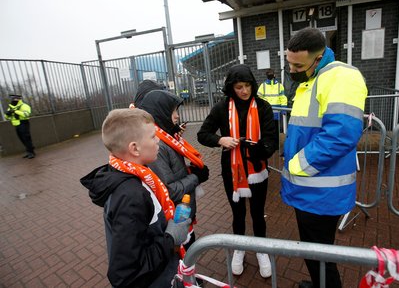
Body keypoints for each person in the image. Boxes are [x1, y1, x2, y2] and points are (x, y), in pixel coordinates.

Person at [281, 27, 368, 288]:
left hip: (319, 190)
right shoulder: (314, 76)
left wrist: (297, 165)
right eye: (289, 63)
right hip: (309, 189)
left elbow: (340, 135)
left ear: (318, 59)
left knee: (321, 255)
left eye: (298, 65)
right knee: (313, 251)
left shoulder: (341, 76)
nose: (292, 70)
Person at [80, 108, 191, 287]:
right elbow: (126, 274)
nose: (158, 141)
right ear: (135, 148)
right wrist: (170, 239)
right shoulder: (130, 196)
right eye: (153, 137)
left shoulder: (135, 176)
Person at [197, 64, 276, 278]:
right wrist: (220, 139)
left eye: (248, 85)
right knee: (238, 213)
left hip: (257, 168)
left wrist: (258, 147)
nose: (244, 91)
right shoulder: (221, 108)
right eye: (239, 87)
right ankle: (239, 248)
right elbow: (203, 134)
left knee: (258, 213)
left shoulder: (263, 107)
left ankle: (261, 249)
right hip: (232, 171)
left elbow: (272, 141)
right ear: (231, 88)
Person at [138, 89, 209, 251]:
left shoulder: (167, 137)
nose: (177, 116)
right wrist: (196, 177)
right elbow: (168, 190)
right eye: (174, 111)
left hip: (181, 211)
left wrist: (190, 172)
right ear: (161, 112)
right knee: (184, 256)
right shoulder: (158, 146)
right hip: (174, 215)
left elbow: (173, 171)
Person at [257, 68, 288, 138]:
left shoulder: (265, 86)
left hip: (275, 111)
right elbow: (259, 98)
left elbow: (282, 98)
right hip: (269, 111)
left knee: (276, 130)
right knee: (269, 130)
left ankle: (276, 146)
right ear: (274, 75)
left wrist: (284, 109)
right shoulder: (264, 86)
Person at [4, 94, 35, 159]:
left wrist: (16, 111)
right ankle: (28, 151)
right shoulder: (10, 107)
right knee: (22, 139)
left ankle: (31, 152)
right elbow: (7, 117)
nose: (14, 100)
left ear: (19, 99)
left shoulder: (24, 106)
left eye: (16, 99)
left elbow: (26, 115)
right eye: (13, 99)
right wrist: (7, 114)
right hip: (16, 124)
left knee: (26, 138)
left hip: (23, 123)